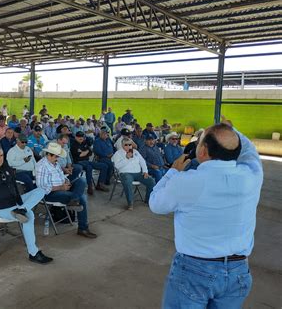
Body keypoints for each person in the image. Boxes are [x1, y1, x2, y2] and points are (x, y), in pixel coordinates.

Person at [149, 117, 263, 308]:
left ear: (202, 151)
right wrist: (229, 130)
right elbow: (249, 150)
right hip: (238, 273)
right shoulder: (252, 175)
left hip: (194, 272)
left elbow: (156, 203)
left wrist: (173, 172)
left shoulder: (187, 182)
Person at [0, 146, 53, 264]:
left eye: (1, 156)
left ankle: (22, 209)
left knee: (41, 190)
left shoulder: (7, 168)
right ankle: (33, 253)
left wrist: (21, 203)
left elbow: (14, 187)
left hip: (16, 204)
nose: (0, 159)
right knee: (28, 216)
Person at [36, 142, 97, 239]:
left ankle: (73, 200)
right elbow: (42, 187)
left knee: (82, 180)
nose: (58, 158)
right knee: (82, 198)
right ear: (49, 154)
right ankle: (82, 228)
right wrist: (61, 187)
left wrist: (66, 182)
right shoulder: (41, 166)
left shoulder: (55, 163)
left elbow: (62, 176)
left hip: (61, 187)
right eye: (56, 156)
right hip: (51, 193)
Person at [112, 137, 155, 209]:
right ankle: (130, 203)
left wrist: (145, 171)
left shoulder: (135, 152)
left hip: (138, 173)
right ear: (122, 146)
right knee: (127, 181)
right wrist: (126, 158)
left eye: (130, 144)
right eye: (126, 145)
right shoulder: (118, 153)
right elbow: (117, 166)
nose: (128, 146)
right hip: (125, 173)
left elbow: (142, 162)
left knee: (151, 181)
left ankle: (148, 200)